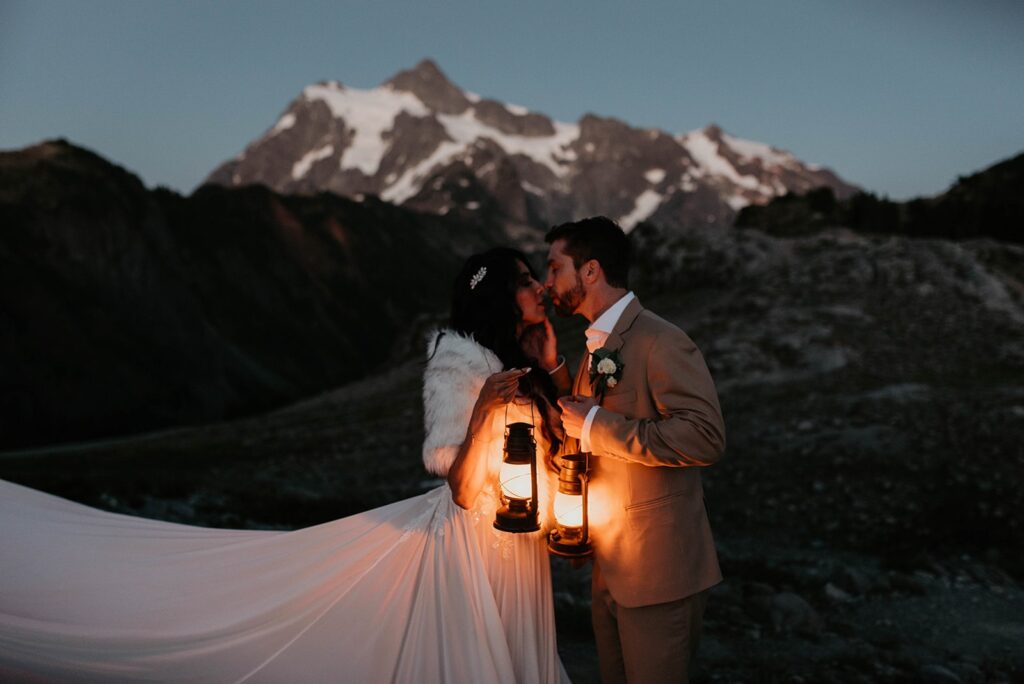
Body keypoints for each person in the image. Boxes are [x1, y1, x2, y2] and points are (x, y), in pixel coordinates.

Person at [0, 247, 572, 683]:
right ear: (497, 296)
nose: (539, 287)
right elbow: (463, 489)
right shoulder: (459, 368)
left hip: (519, 545)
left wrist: (554, 369)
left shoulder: (521, 361)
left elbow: (562, 442)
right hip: (477, 548)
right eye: (524, 281)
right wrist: (483, 413)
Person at [545, 217, 726, 684]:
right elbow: (590, 430)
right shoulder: (592, 349)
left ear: (590, 271)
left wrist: (598, 426)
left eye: (553, 268)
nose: (548, 283)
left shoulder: (661, 340)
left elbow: (704, 436)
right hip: (610, 567)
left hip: (661, 575)